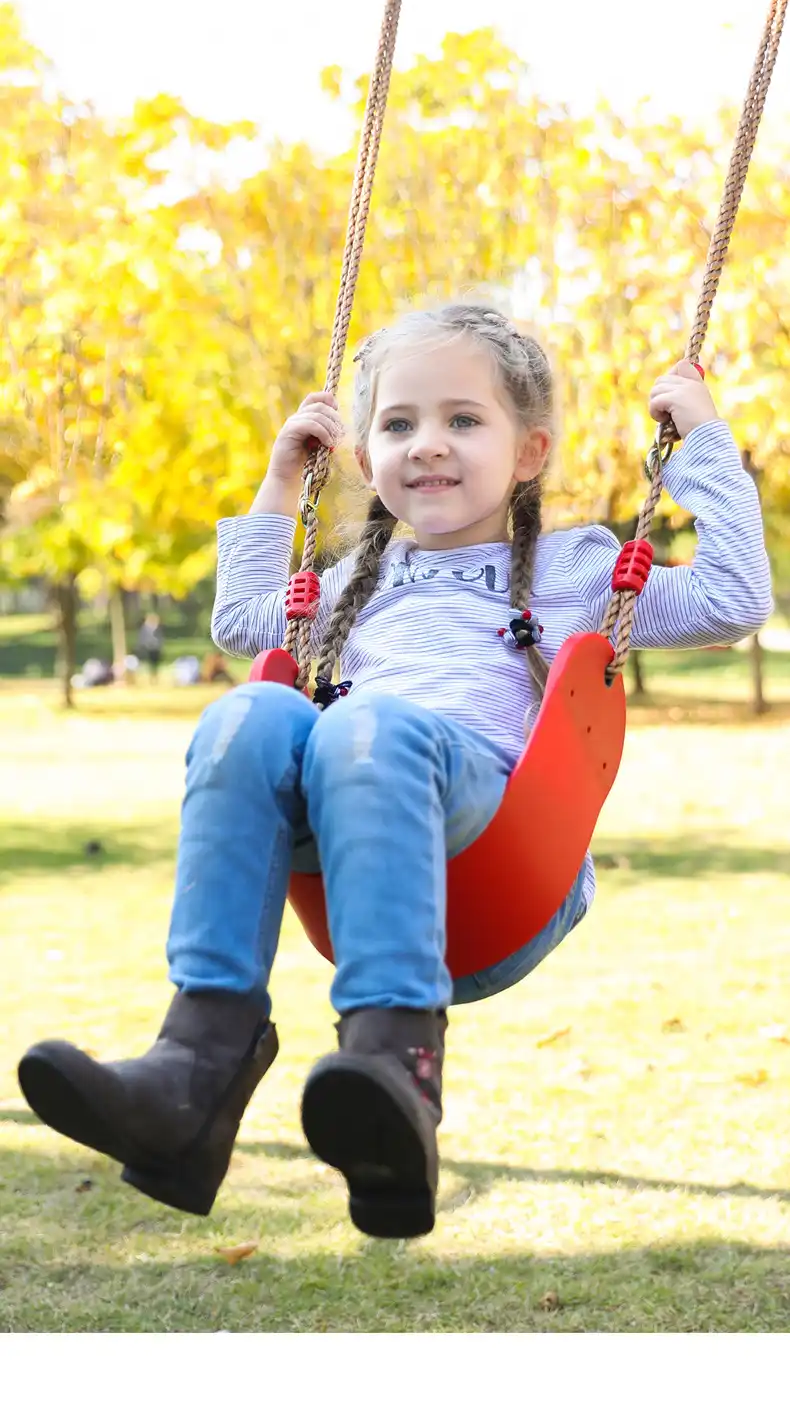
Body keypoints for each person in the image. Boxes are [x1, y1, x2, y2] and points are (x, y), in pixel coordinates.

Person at [18, 304, 772, 1239]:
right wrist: (281, 476)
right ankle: (195, 1069)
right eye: (399, 423)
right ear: (367, 459)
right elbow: (239, 621)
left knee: (364, 724)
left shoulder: (579, 568)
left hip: (501, 853)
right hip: (358, 844)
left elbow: (736, 595)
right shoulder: (349, 583)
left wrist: (703, 440)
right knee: (247, 714)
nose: (428, 444)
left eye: (464, 419)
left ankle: (395, 1062)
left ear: (529, 451)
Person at [137, 612, 164, 680]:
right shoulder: (145, 628)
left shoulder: (157, 628)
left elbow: (160, 638)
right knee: (147, 662)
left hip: (155, 648)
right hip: (148, 647)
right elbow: (142, 637)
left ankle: (154, 676)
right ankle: (149, 676)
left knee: (155, 663)